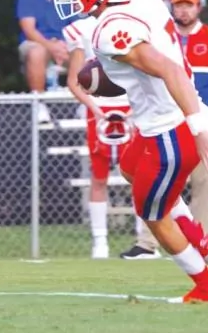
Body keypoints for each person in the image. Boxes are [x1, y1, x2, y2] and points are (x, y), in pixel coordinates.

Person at [53, 0, 208, 303]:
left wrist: (198, 129)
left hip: (170, 127)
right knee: (130, 167)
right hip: (163, 118)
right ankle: (196, 236)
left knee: (152, 213)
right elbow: (147, 67)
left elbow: (168, 70)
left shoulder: (110, 29)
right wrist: (108, 74)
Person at [120, 0, 208, 260]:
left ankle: (200, 241)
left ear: (199, 7)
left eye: (188, 5)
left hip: (199, 122)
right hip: (165, 121)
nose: (183, 10)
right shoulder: (158, 37)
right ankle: (147, 242)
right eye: (178, 5)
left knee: (203, 183)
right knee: (152, 178)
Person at [64, 15, 134, 259]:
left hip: (131, 106)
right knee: (99, 176)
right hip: (99, 108)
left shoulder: (131, 21)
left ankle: (145, 240)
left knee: (140, 176)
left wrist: (136, 107)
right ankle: (100, 241)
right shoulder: (81, 29)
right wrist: (94, 108)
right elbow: (74, 81)